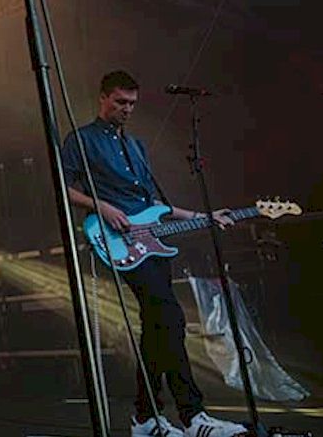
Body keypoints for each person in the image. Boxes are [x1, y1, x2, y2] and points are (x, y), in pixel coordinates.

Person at [61, 71, 246, 437]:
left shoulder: (137, 147)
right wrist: (102, 207)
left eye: (131, 103)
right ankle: (193, 417)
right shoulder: (81, 140)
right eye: (119, 102)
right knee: (171, 319)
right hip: (118, 239)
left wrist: (202, 217)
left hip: (153, 243)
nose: (126, 109)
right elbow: (63, 187)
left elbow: (155, 205)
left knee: (158, 327)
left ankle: (146, 418)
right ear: (102, 98)